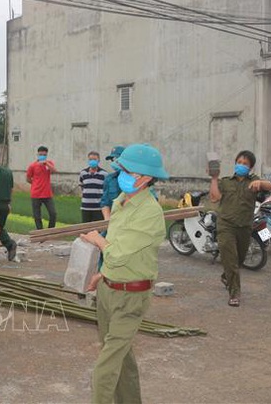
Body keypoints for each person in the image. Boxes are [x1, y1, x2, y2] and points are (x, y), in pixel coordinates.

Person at [79, 143, 169, 404]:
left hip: (131, 297)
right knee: (122, 358)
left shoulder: (150, 213)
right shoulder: (121, 201)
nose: (122, 175)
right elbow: (115, 254)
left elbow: (117, 252)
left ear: (146, 178)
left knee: (104, 369)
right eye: (121, 170)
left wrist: (97, 240)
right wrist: (102, 275)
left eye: (128, 172)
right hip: (109, 290)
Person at [209, 150, 271, 307]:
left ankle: (226, 276)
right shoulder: (225, 181)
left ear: (250, 167)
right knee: (230, 260)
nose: (241, 165)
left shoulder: (253, 181)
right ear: (235, 163)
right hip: (226, 225)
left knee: (240, 259)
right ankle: (234, 293)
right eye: (239, 162)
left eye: (245, 164)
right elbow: (214, 197)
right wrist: (214, 178)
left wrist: (261, 183)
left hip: (245, 226)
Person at [26, 146, 58, 230]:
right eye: (41, 154)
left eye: (44, 154)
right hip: (36, 194)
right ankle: (40, 231)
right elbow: (28, 178)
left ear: (46, 155)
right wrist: (35, 184)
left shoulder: (49, 164)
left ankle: (50, 230)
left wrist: (46, 163)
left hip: (47, 194)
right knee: (37, 216)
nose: (42, 156)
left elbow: (54, 171)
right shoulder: (32, 166)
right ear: (37, 154)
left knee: (53, 213)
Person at [78, 151, 108, 223]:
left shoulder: (104, 174)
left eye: (95, 159)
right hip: (85, 206)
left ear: (99, 160)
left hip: (98, 207)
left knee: (98, 229)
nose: (92, 161)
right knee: (86, 229)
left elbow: (106, 189)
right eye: (90, 159)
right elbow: (81, 185)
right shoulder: (83, 173)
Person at [99, 146, 125, 220]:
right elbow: (105, 202)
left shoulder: (136, 178)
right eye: (112, 160)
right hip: (113, 220)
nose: (114, 162)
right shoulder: (109, 179)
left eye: (116, 159)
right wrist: (108, 220)